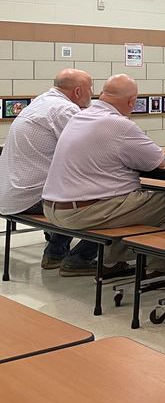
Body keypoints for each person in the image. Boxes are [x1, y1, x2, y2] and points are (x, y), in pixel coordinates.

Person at [41, 74, 165, 280]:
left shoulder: (79, 116)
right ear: (132, 102)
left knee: (134, 202)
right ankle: (158, 271)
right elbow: (157, 160)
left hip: (53, 207)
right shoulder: (119, 124)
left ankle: (113, 261)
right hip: (83, 211)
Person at [0, 69, 99, 275]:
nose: (93, 93)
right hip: (31, 198)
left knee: (70, 191)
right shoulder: (64, 110)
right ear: (78, 91)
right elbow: (93, 151)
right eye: (91, 88)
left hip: (10, 193)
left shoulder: (41, 102)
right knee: (106, 201)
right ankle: (79, 258)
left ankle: (55, 252)